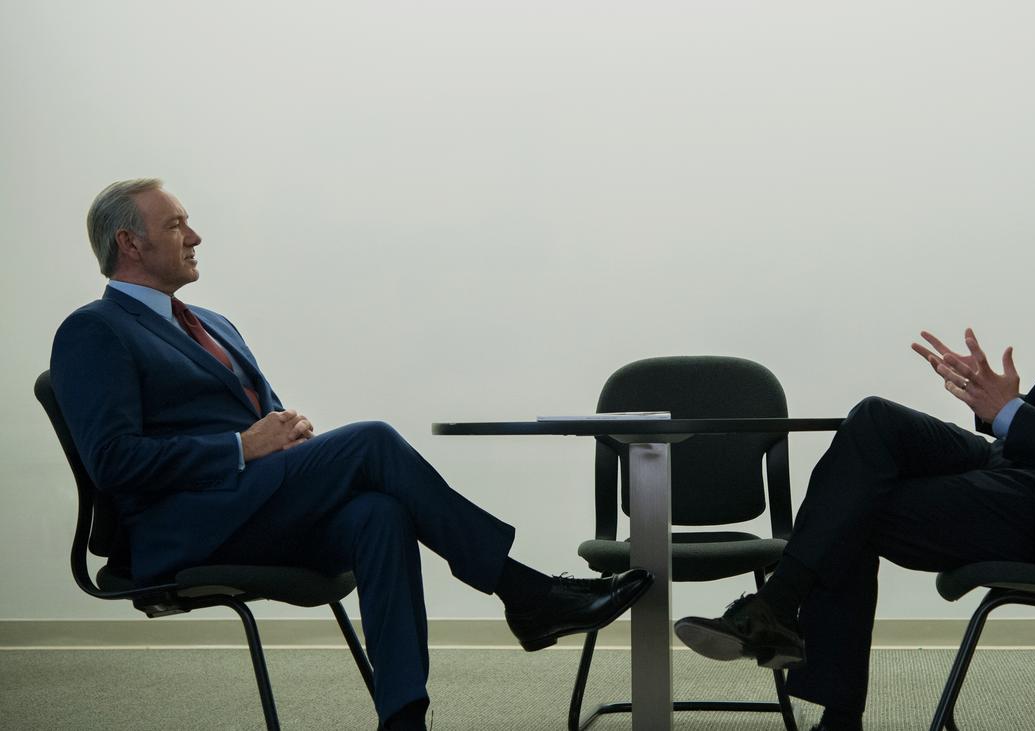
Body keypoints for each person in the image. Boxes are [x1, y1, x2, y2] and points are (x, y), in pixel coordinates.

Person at [50, 179, 653, 730]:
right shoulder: (96, 330)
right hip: (185, 528)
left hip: (253, 509)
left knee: (378, 513)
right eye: (177, 224)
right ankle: (523, 591)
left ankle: (404, 719)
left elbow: (263, 422)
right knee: (371, 439)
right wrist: (241, 446)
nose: (195, 236)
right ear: (130, 242)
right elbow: (114, 461)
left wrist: (287, 435)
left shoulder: (215, 324)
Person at [674, 148, 1035, 731]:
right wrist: (1000, 407)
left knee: (857, 502)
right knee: (874, 421)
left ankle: (789, 632)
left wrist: (1011, 413)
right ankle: (780, 614)